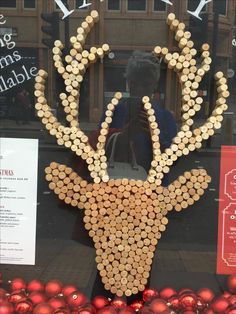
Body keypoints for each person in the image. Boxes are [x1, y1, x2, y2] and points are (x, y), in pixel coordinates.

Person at [71, 51, 177, 302]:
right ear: (129, 83)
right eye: (136, 82)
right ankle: (103, 302)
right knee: (109, 256)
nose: (140, 88)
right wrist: (126, 132)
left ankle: (133, 303)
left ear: (154, 84)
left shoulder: (163, 117)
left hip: (146, 199)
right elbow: (98, 148)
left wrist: (154, 135)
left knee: (141, 260)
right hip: (114, 196)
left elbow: (172, 156)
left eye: (146, 82)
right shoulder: (116, 110)